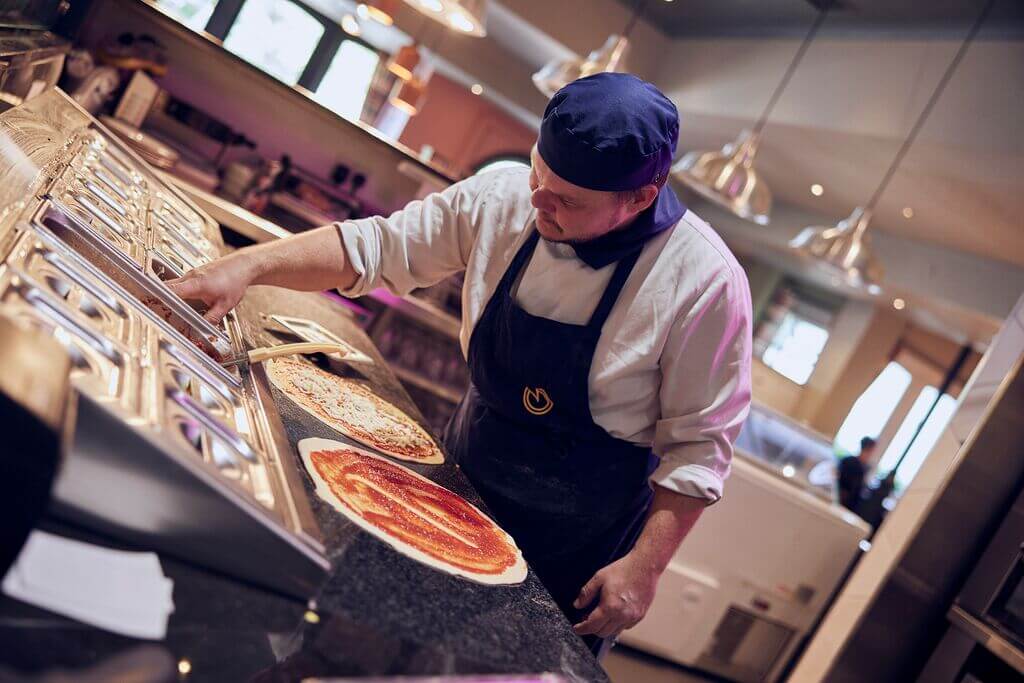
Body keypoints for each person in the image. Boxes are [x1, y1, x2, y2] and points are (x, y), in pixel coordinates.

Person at [168, 73, 752, 654]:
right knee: (355, 643)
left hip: (577, 538)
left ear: (640, 198)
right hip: (464, 475)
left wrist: (644, 570)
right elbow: (376, 248)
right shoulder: (502, 196)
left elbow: (699, 449)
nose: (538, 201)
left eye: (567, 200)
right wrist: (247, 267)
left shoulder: (704, 283)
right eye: (537, 173)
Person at [837, 436, 877, 512]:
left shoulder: (864, 468)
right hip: (842, 503)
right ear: (868, 449)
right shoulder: (850, 462)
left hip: (849, 506)